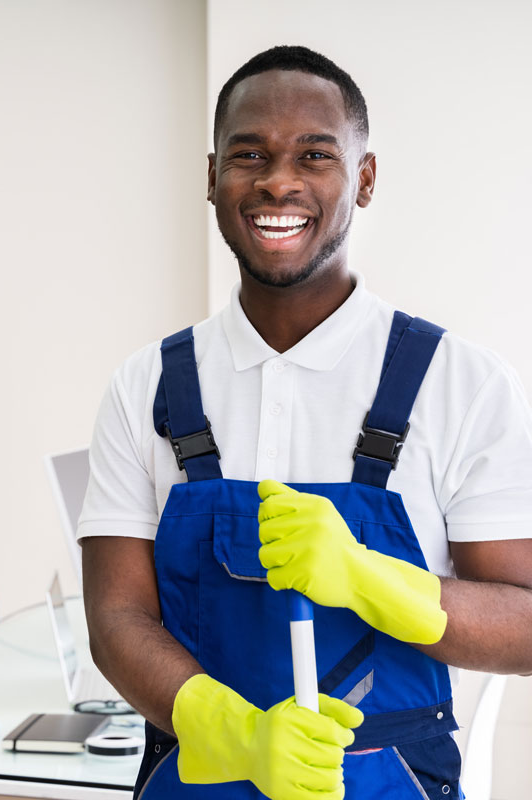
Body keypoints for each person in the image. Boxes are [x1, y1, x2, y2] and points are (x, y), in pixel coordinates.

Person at [79, 45, 532, 800]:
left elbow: (525, 625)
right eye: (247, 153)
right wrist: (235, 734)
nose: (277, 180)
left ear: (364, 178)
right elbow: (116, 616)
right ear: (212, 177)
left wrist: (372, 577)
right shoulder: (147, 386)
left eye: (314, 155)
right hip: (197, 772)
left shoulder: (461, 383)